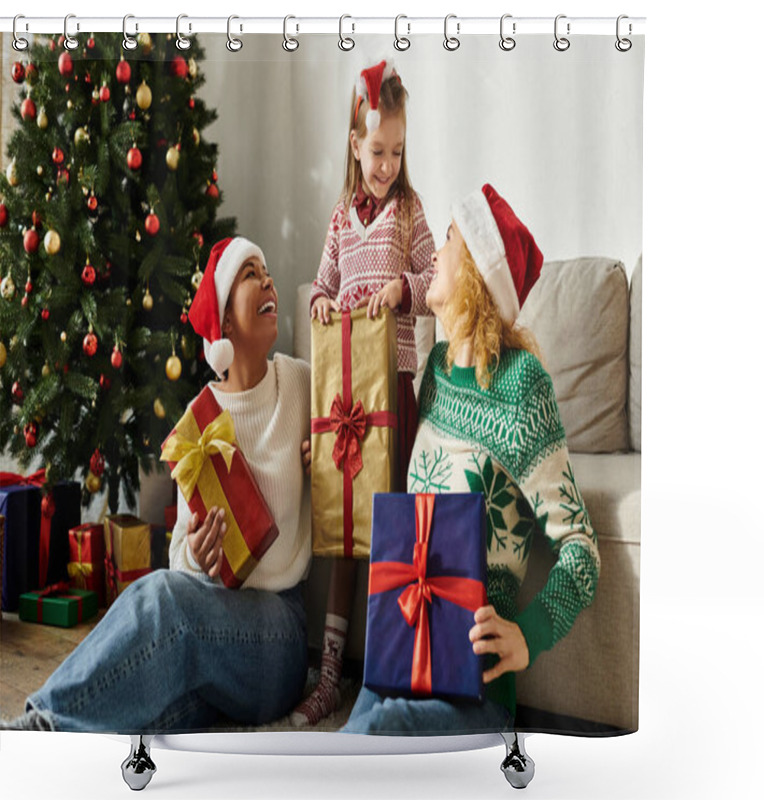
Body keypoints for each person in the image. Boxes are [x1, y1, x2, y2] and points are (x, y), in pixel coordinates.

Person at [0, 237, 312, 733]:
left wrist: (327, 452)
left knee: (162, 600)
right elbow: (182, 563)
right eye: (250, 274)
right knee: (153, 709)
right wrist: (197, 554)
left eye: (265, 269)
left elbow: (355, 431)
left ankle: (39, 727)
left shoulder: (299, 384)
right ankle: (55, 745)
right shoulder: (198, 419)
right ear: (225, 322)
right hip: (215, 628)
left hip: (278, 637)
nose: (268, 279)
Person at [342, 185, 601, 734]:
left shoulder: (521, 386)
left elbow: (581, 551)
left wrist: (527, 634)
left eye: (450, 239)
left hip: (472, 682)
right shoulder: (434, 372)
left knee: (371, 738)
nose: (433, 254)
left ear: (480, 272)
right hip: (401, 650)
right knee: (347, 749)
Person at [291, 59, 436, 727]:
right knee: (346, 538)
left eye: (398, 151)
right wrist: (322, 302)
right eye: (378, 150)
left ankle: (386, 674)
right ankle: (329, 677)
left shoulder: (409, 211)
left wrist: (401, 288)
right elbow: (321, 283)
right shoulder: (339, 221)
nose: (388, 163)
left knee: (391, 532)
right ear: (355, 145)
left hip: (394, 397)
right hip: (346, 404)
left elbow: (435, 278)